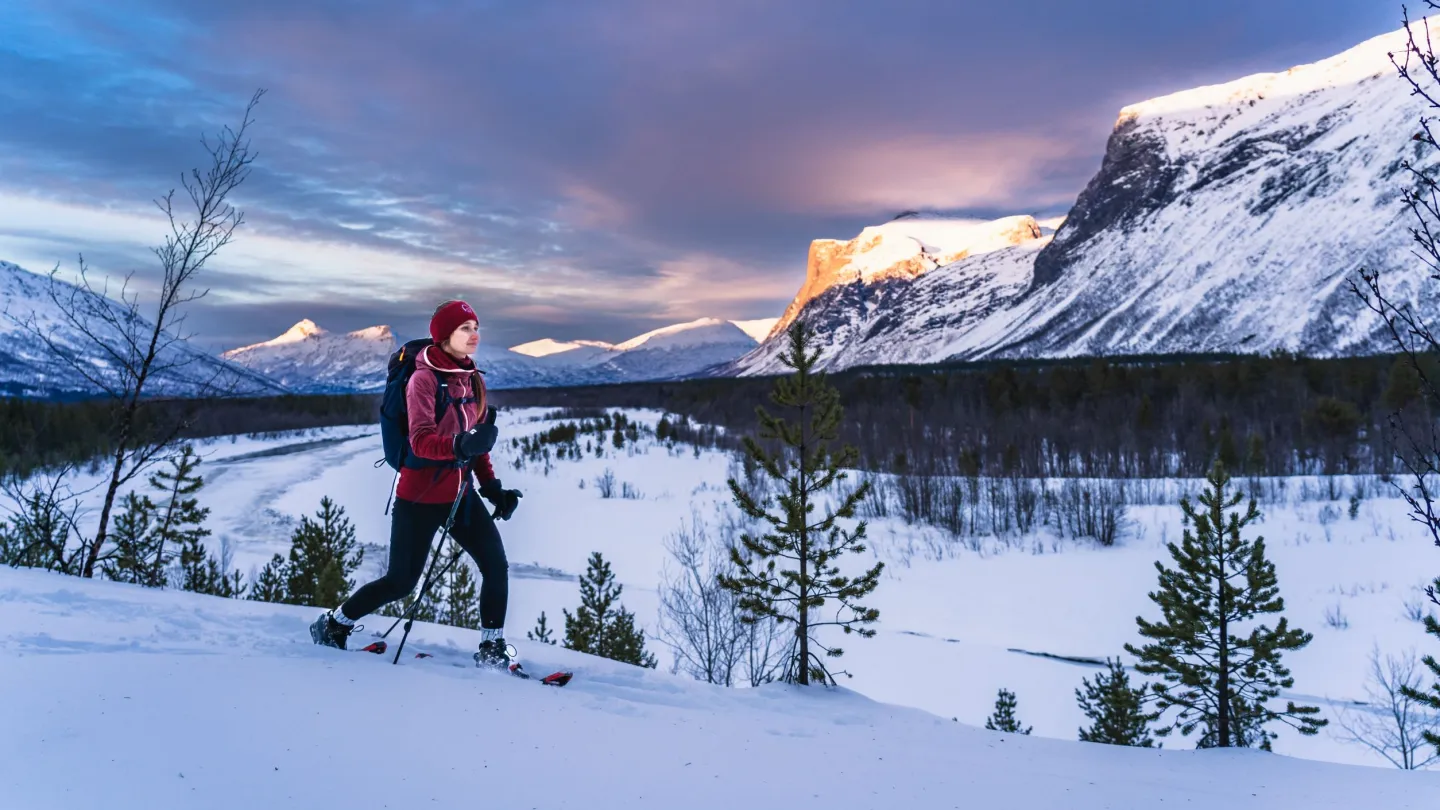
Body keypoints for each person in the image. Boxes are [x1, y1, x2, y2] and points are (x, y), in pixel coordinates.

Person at [310, 299, 524, 671]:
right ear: (444, 336)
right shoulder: (422, 379)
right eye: (464, 329)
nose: (474, 335)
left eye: (475, 327)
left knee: (495, 565)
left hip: (461, 496)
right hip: (420, 496)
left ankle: (492, 648)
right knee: (400, 581)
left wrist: (492, 488)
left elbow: (480, 445)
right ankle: (332, 624)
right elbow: (420, 441)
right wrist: (459, 444)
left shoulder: (474, 379)